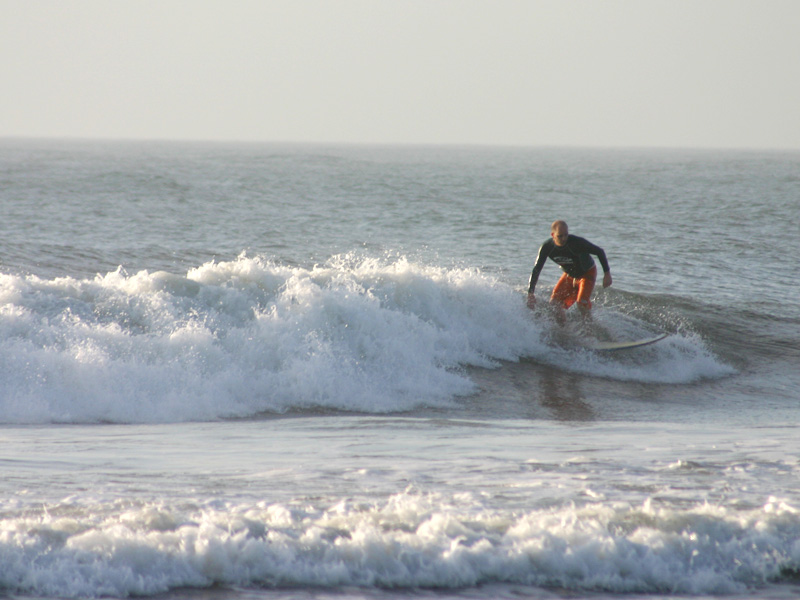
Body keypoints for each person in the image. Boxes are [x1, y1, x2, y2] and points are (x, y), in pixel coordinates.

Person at [526, 220, 612, 320]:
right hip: (569, 275)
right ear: (553, 235)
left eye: (566, 235)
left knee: (581, 303)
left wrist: (607, 273)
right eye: (560, 236)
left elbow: (599, 251)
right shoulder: (547, 247)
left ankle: (590, 329)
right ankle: (564, 330)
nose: (564, 238)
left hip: (587, 273)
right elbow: (537, 269)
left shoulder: (577, 243)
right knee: (554, 304)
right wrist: (530, 293)